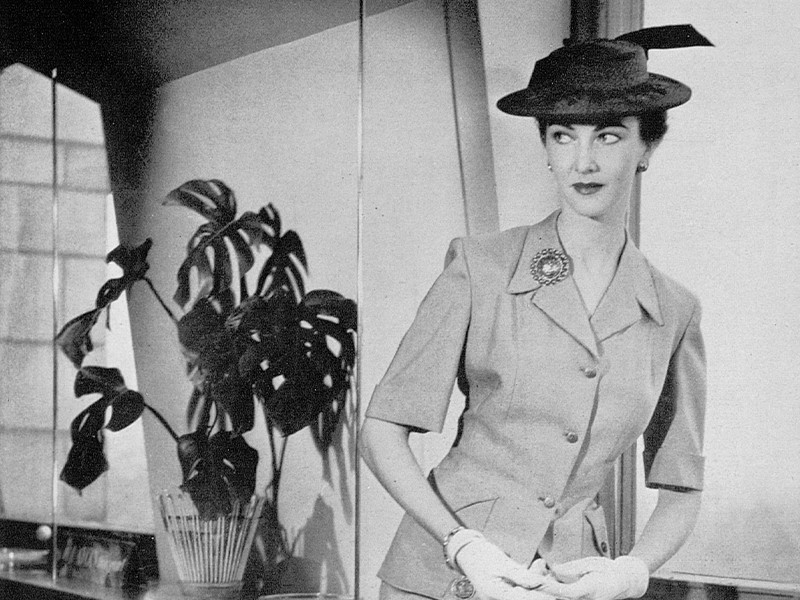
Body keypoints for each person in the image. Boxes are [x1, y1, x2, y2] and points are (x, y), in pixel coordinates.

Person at [360, 25, 713, 600]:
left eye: (608, 136)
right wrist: (463, 544)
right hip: (445, 579)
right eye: (562, 136)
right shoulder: (480, 267)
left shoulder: (674, 310)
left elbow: (682, 488)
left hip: (570, 584)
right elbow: (381, 431)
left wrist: (631, 571)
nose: (583, 161)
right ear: (546, 149)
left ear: (647, 148)